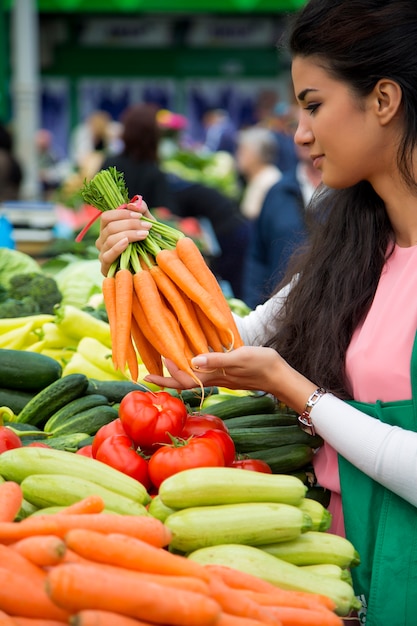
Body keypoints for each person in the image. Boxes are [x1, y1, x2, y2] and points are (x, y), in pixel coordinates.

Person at [96, 2, 417, 621]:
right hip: (348, 573)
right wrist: (138, 265)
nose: (298, 132)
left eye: (314, 104)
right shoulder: (355, 250)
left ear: (383, 100)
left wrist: (297, 391)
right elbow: (208, 352)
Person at [242, 143, 321, 308]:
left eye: (314, 121)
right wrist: (253, 307)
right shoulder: (278, 191)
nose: (303, 136)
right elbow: (257, 256)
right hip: (277, 316)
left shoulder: (348, 195)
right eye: (299, 125)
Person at [234, 126, 282, 220]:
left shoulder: (269, 181)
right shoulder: (256, 178)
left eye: (242, 151)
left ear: (256, 154)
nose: (237, 155)